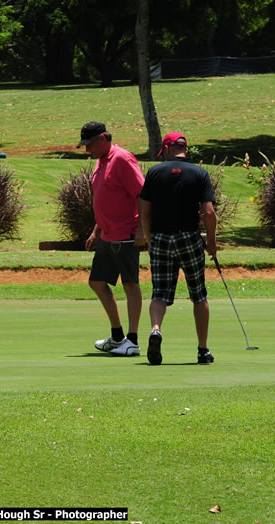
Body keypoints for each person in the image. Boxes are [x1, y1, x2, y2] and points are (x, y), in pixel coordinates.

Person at [138, 132, 217, 365]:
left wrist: (150, 238)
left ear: (167, 149)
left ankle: (155, 329)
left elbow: (145, 213)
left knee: (159, 293)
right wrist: (211, 242)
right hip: (189, 237)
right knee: (199, 295)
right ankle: (203, 350)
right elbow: (209, 212)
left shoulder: (154, 172)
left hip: (161, 237)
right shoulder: (200, 174)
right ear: (186, 149)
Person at [76, 121, 146, 356]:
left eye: (89, 145)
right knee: (96, 282)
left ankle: (133, 340)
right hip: (107, 234)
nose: (87, 150)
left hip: (127, 233)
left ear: (102, 138)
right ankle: (117, 336)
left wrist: (142, 229)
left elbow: (142, 194)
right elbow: (106, 199)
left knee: (130, 283)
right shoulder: (101, 161)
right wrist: (96, 231)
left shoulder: (122, 159)